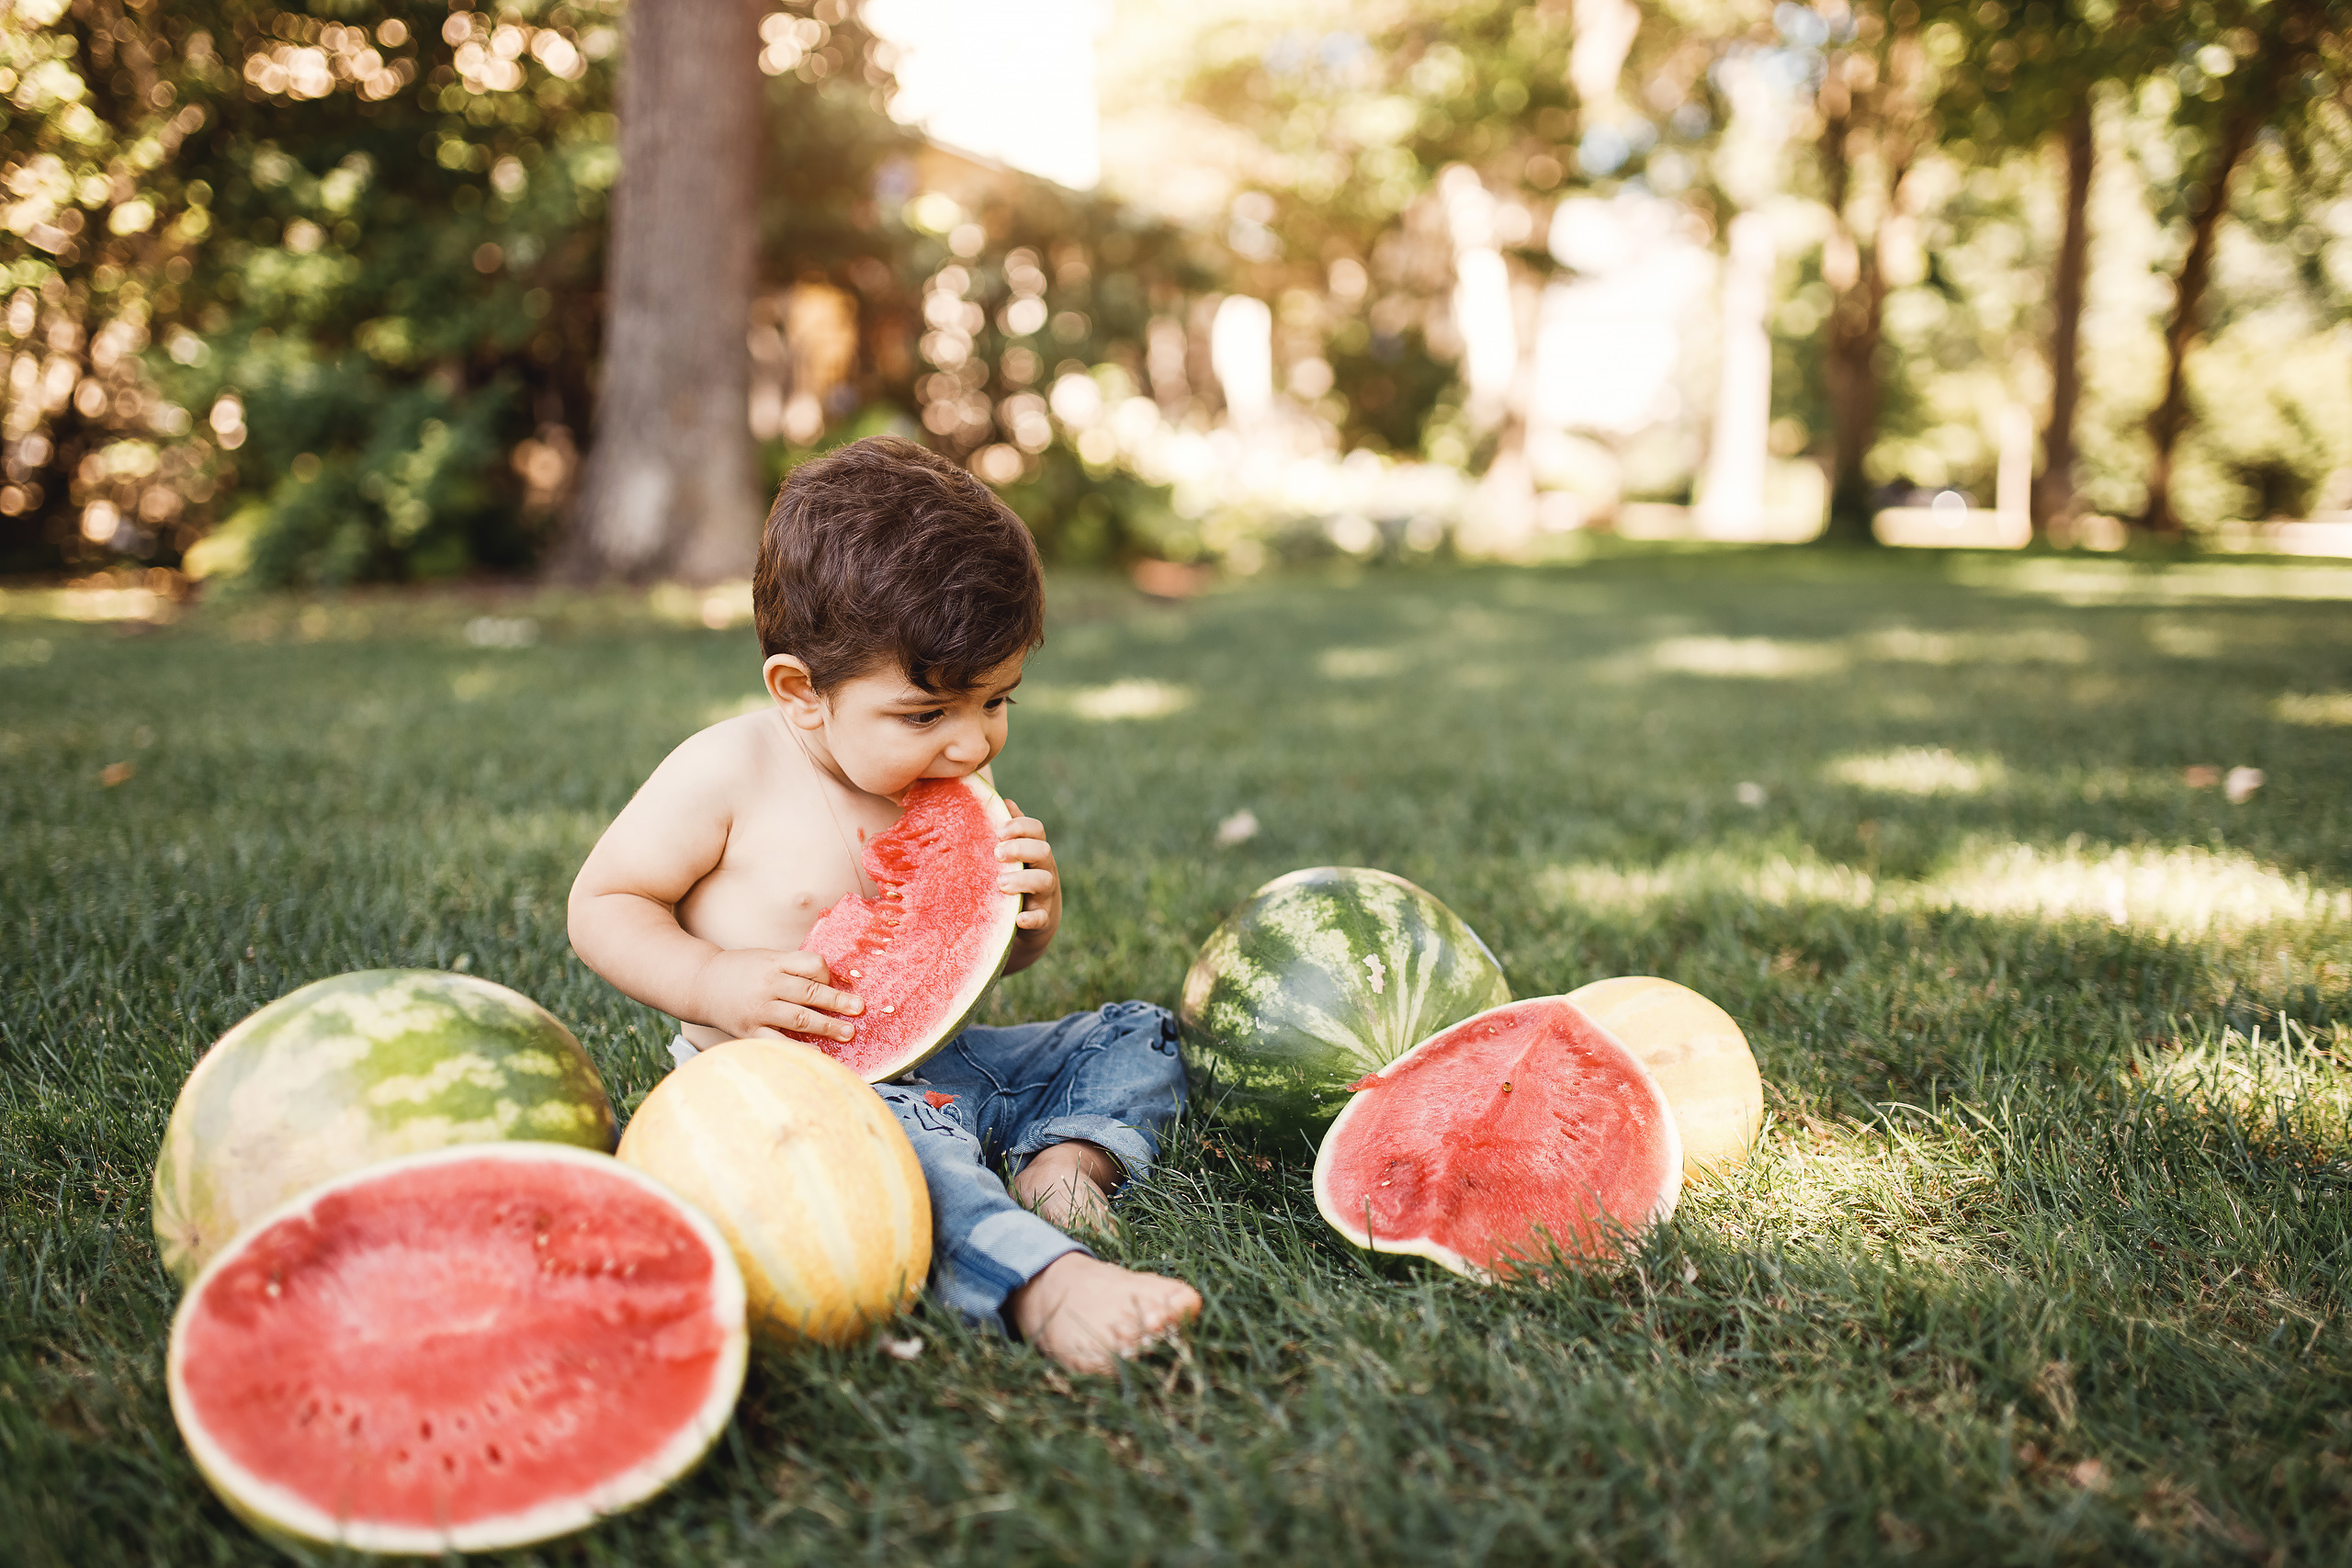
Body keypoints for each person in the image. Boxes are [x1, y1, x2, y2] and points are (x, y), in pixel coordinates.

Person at [567, 436, 1202, 1375]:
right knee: (912, 1166)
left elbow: (972, 961)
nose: (971, 744)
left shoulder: (945, 780)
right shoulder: (725, 773)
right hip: (796, 1098)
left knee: (1143, 1033)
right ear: (801, 694)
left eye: (998, 702)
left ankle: (1062, 1163)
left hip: (949, 1068)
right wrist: (714, 978)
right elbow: (603, 903)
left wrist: (1031, 920)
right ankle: (1048, 1286)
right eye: (926, 714)